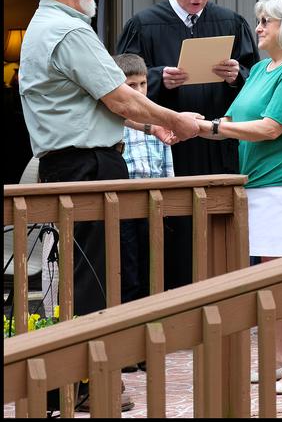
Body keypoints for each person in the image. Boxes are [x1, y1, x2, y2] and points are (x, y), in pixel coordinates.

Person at [18, 0, 202, 412]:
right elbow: (120, 97)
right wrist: (178, 121)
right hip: (87, 166)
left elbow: (95, 103)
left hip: (74, 163)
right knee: (95, 278)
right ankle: (85, 385)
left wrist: (149, 126)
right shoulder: (68, 31)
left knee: (80, 276)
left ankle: (76, 382)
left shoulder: (46, 25)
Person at [196, 0, 282, 394]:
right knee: (270, 276)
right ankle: (279, 359)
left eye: (266, 21)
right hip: (261, 184)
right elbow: (235, 117)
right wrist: (192, 125)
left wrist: (212, 129)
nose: (258, 28)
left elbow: (271, 128)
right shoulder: (261, 70)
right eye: (259, 21)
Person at [116, 0, 260, 289]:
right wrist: (158, 79)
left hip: (216, 143)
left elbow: (256, 79)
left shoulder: (230, 21)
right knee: (173, 226)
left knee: (218, 223)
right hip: (167, 146)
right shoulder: (144, 23)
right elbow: (120, 81)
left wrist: (236, 74)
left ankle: (222, 293)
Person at [113, 53, 175, 373]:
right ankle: (125, 348)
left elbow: (167, 169)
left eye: (142, 84)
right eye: (131, 86)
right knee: (129, 276)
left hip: (154, 209)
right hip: (125, 211)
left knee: (154, 277)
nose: (139, 91)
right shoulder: (117, 124)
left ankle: (146, 347)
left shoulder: (160, 122)